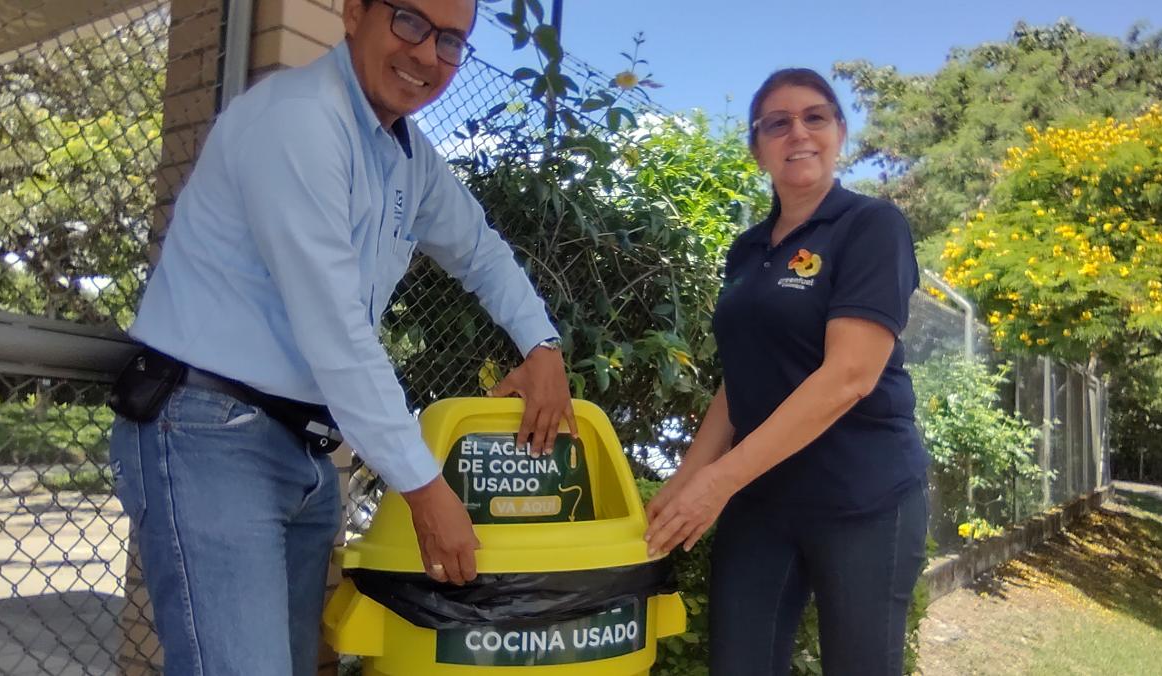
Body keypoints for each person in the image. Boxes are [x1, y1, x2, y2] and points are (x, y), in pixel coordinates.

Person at [107, 0, 576, 673]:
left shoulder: (406, 155)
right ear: (354, 12)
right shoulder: (299, 120)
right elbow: (336, 331)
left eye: (450, 40)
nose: (426, 55)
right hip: (207, 432)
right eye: (410, 21)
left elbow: (480, 250)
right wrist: (423, 488)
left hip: (301, 447)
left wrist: (543, 347)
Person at [643, 68, 930, 675]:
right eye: (777, 123)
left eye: (815, 117)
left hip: (864, 498)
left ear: (840, 134)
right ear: (757, 149)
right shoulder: (746, 251)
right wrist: (686, 482)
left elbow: (849, 375)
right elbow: (740, 379)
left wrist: (715, 485)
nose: (797, 132)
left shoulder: (871, 226)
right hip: (764, 500)